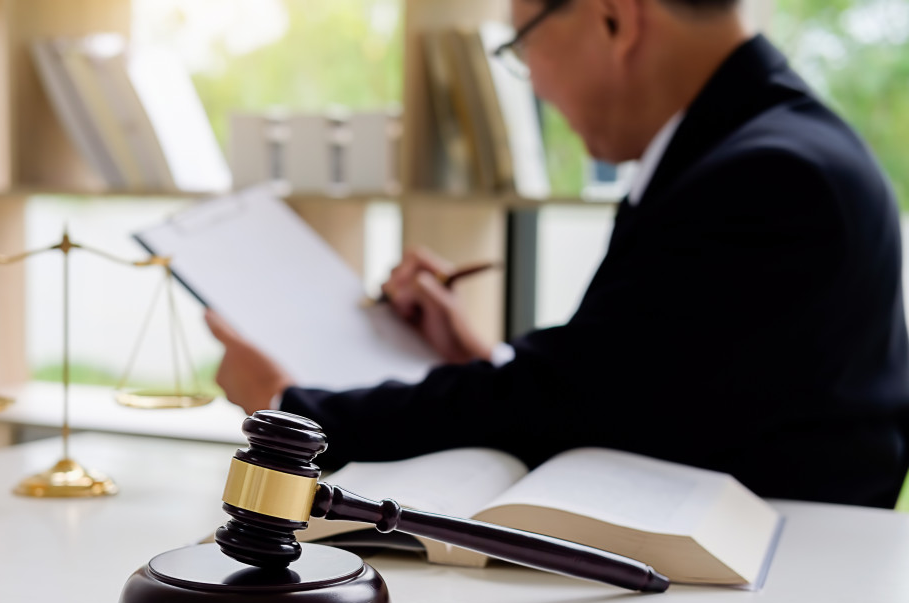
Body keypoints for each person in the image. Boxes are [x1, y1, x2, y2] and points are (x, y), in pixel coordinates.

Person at [206, 0, 909, 508]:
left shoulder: (766, 175)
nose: (535, 84)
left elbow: (580, 404)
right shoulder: (759, 147)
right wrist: (481, 358)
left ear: (615, 18)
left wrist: (286, 408)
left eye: (522, 45)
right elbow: (640, 384)